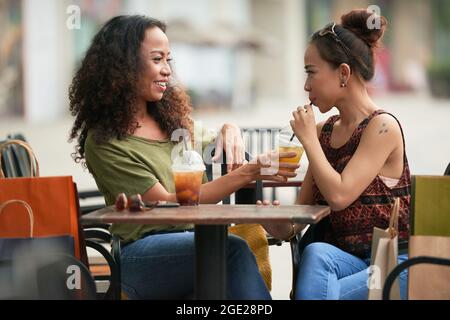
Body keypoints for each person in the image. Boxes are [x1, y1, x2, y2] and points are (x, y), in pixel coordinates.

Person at [68, 15, 298, 300]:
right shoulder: (105, 142)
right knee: (232, 249)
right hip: (141, 256)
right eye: (157, 59)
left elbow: (214, 138)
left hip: (194, 241)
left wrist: (230, 128)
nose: (167, 70)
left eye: (168, 60)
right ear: (123, 66)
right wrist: (247, 173)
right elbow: (168, 203)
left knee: (227, 260)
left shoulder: (170, 122)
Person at [263, 9, 410, 300]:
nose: (305, 86)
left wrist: (308, 141)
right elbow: (302, 215)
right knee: (317, 252)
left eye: (311, 72)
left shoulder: (382, 127)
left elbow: (340, 196)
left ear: (343, 73)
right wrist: (280, 225)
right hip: (343, 264)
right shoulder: (323, 133)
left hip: (391, 264)